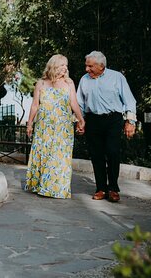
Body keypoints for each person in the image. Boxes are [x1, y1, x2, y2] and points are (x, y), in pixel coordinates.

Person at [76, 51, 137, 203]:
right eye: (86, 66)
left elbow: (129, 100)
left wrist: (130, 122)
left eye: (90, 66)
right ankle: (101, 188)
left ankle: (113, 188)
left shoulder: (117, 77)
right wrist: (79, 121)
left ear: (101, 66)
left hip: (113, 119)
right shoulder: (84, 79)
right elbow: (79, 103)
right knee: (96, 155)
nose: (87, 69)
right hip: (92, 120)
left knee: (113, 152)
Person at [24, 54, 85, 199]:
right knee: (44, 153)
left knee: (60, 156)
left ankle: (56, 188)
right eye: (62, 65)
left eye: (66, 65)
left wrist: (81, 119)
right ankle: (41, 185)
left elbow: (74, 103)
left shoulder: (69, 83)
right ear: (53, 66)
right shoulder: (41, 83)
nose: (65, 68)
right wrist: (30, 123)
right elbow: (35, 105)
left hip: (63, 127)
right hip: (44, 126)